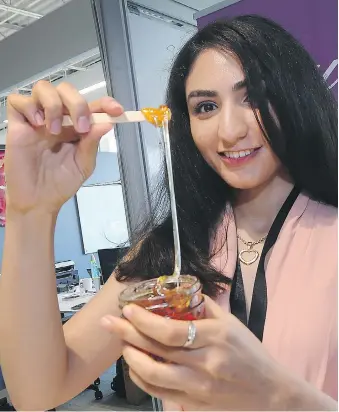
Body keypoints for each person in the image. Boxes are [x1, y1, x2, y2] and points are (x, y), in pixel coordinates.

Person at [0, 14, 337, 411]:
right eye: (206, 107)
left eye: (254, 97)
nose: (229, 130)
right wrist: (31, 212)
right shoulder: (170, 253)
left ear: (295, 97)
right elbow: (36, 392)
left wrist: (278, 396)